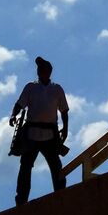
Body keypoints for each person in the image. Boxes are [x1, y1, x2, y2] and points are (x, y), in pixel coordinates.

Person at [9, 56, 69, 205]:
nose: (40, 71)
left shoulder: (57, 89)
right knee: (25, 167)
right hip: (31, 134)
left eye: (43, 69)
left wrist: (65, 128)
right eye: (39, 69)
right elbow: (19, 104)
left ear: (49, 71)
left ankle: (61, 195)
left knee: (56, 166)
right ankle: (21, 200)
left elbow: (64, 111)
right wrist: (13, 115)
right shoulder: (31, 87)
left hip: (50, 134)